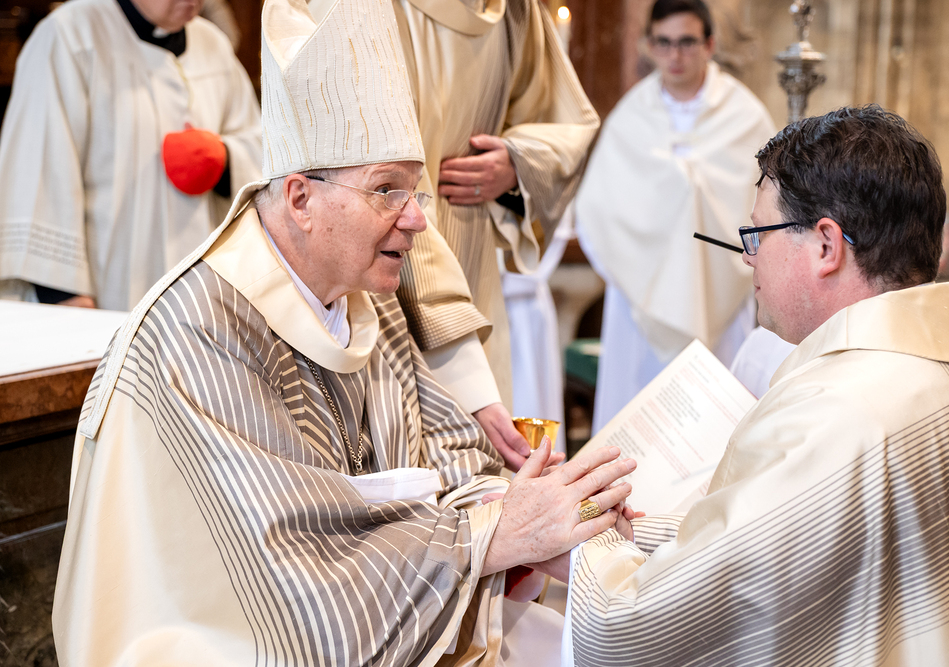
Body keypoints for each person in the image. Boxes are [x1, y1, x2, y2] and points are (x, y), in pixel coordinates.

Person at [51, 0, 634, 664]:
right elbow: (296, 580)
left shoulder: (364, 299)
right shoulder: (200, 332)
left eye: (416, 192)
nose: (418, 221)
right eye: (387, 190)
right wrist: (495, 535)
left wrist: (537, 514)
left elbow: (451, 457)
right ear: (300, 198)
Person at [557, 105, 949, 665]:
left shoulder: (833, 413)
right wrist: (634, 534)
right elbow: (791, 539)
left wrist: (583, 529)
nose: (749, 259)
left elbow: (625, 627)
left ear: (826, 246)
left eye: (758, 234)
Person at [383, 0, 600, 469]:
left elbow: (566, 122)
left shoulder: (512, 9)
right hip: (377, 267)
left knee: (479, 474)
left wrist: (518, 165)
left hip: (471, 254)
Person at [576, 0, 774, 432]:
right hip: (642, 296)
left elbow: (771, 204)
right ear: (649, 46)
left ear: (709, 44)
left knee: (713, 416)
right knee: (637, 414)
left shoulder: (744, 114)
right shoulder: (631, 115)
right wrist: (633, 266)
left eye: (686, 42)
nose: (675, 55)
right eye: (663, 43)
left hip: (720, 288)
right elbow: (596, 207)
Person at [0, 0, 260, 311]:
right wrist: (62, 294)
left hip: (202, 297)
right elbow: (40, 168)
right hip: (108, 291)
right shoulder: (70, 35)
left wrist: (224, 159)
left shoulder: (212, 44)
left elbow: (260, 149)